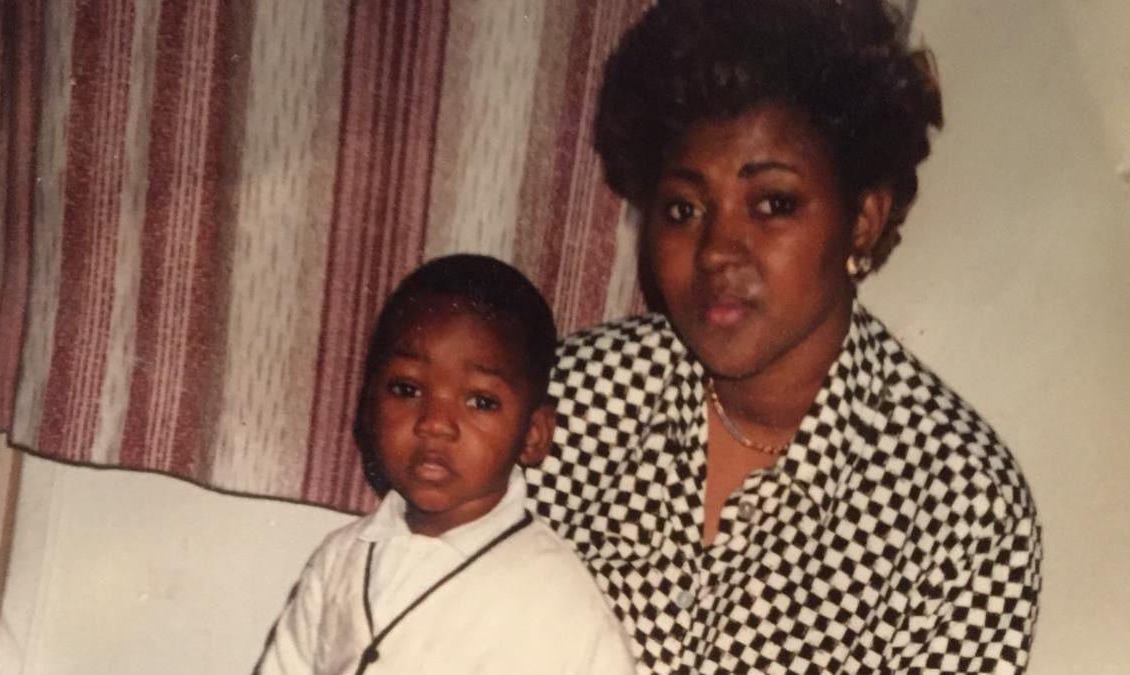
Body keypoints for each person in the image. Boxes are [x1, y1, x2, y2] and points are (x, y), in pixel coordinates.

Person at [524, 1, 1043, 673]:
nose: (716, 250)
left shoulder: (962, 508)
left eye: (773, 203)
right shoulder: (567, 402)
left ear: (862, 218)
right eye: (684, 208)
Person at [254, 254, 636, 675]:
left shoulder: (558, 601)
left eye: (480, 401)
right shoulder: (339, 559)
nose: (435, 424)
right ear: (368, 405)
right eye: (407, 388)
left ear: (534, 434)